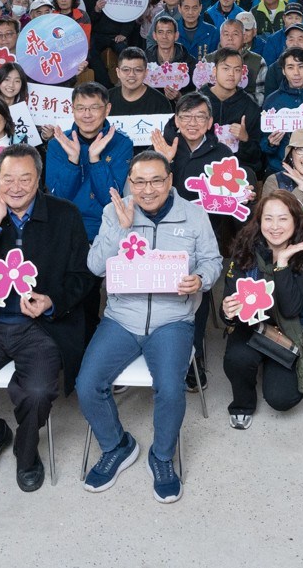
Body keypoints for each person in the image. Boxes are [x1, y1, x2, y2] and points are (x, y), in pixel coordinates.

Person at [0, 145, 94, 492]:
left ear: (39, 180)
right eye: (7, 178)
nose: (16, 186)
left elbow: (83, 276)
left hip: (40, 327)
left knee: (37, 392)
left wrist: (51, 302)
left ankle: (28, 455)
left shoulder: (65, 214)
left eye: (26, 178)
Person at [78, 152, 224, 503]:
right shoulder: (115, 211)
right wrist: (121, 229)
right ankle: (117, 446)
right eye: (139, 181)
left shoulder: (194, 214)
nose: (147, 189)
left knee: (171, 389)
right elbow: (95, 266)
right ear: (130, 183)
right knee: (86, 385)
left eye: (156, 180)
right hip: (121, 318)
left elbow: (212, 260)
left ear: (169, 180)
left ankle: (161, 457)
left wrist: (201, 280)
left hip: (171, 320)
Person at [216, 190, 303, 428]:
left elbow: (292, 307)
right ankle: (243, 404)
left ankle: (269, 363)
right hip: (250, 327)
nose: (275, 226)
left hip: (286, 331)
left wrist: (282, 264)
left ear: (295, 221)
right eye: (268, 218)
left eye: (283, 219)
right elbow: (228, 307)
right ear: (259, 220)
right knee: (237, 359)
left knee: (282, 398)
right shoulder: (244, 250)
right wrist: (228, 311)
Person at [41, 82, 132, 239]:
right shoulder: (57, 144)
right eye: (80, 108)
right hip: (66, 228)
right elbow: (59, 199)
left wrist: (95, 160)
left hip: (107, 229)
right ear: (72, 110)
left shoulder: (122, 143)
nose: (87, 114)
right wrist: (72, 160)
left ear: (107, 109)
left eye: (94, 108)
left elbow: (109, 199)